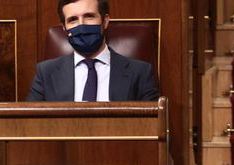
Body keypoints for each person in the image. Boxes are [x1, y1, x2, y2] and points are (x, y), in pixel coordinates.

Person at [26, 0, 159, 101]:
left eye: (89, 16)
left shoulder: (140, 73)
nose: (81, 25)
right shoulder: (45, 74)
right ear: (64, 29)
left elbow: (152, 127)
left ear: (105, 21)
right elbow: (30, 126)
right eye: (73, 20)